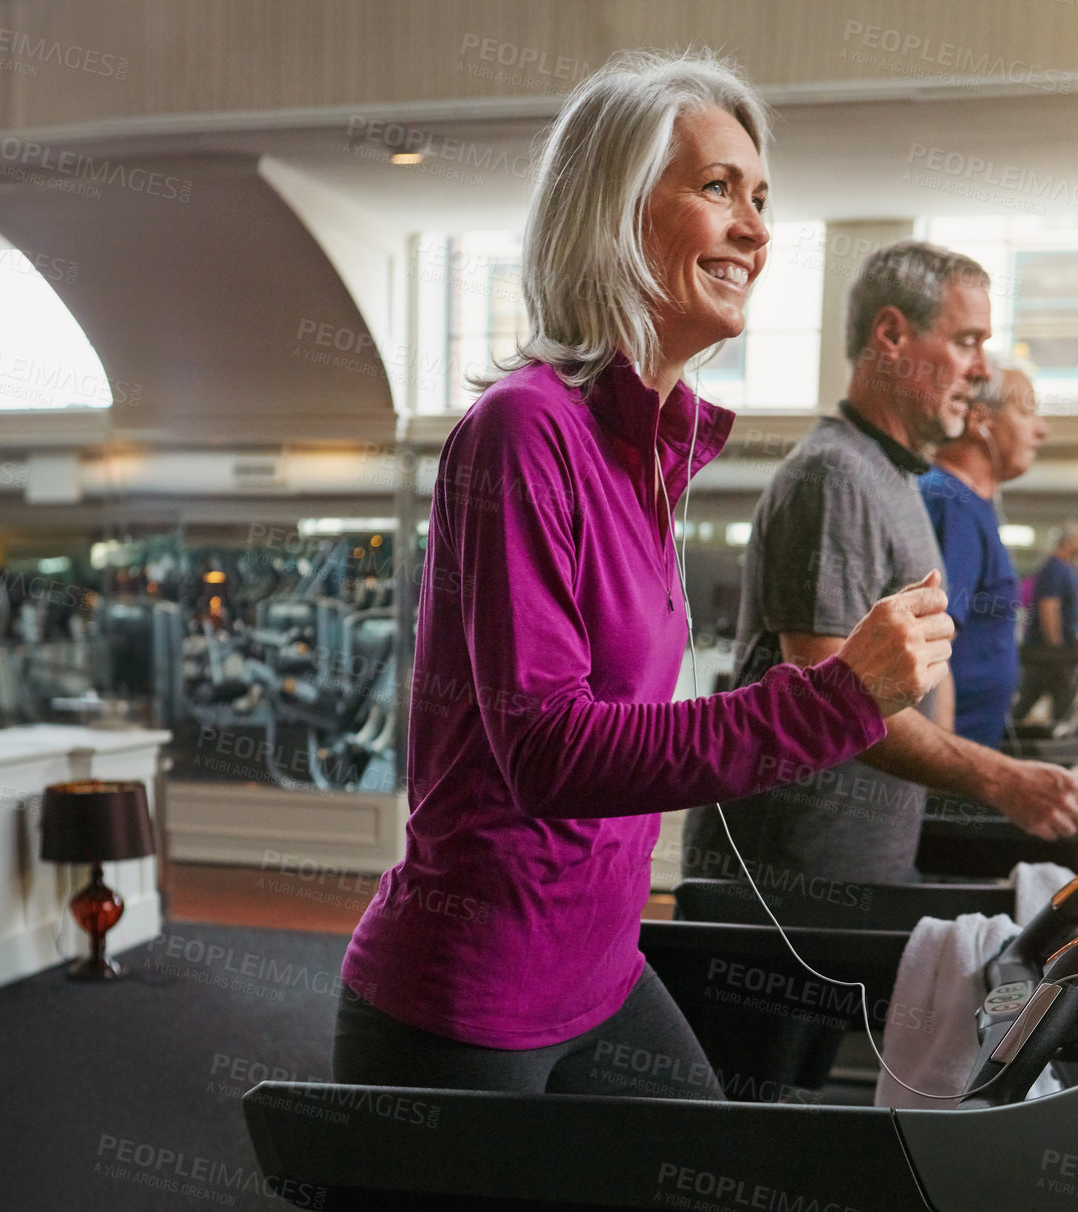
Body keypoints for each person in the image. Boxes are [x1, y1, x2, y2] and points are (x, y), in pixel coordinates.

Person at [333, 50, 957, 1102]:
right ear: (616, 213)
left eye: (762, 199)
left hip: (604, 967)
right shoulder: (522, 430)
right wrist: (838, 700)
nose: (757, 230)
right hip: (471, 999)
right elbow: (547, 749)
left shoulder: (650, 461)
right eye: (718, 189)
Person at [682, 242, 1078, 889]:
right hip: (798, 875)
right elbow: (824, 692)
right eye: (965, 341)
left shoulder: (895, 480)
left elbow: (934, 668)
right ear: (891, 336)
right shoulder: (835, 475)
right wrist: (996, 778)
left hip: (864, 857)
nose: (977, 369)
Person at [919, 356, 1049, 748]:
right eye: (1026, 411)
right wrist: (940, 765)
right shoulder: (951, 503)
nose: (1040, 431)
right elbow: (931, 649)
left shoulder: (969, 505)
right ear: (979, 420)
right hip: (948, 767)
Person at [1015, 525, 1078, 723]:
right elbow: (1049, 607)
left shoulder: (1066, 568)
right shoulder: (1055, 567)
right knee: (1062, 696)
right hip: (1047, 649)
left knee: (1033, 696)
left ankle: (1009, 734)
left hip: (1050, 650)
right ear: (1069, 541)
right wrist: (1055, 648)